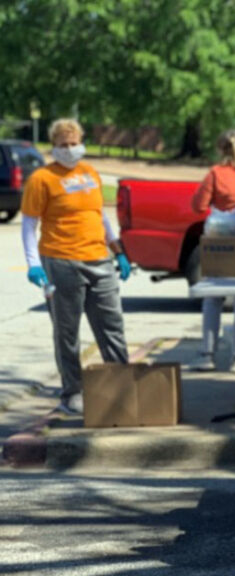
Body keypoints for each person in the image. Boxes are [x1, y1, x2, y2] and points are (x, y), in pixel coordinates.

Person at [21, 119, 131, 415]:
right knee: (67, 332)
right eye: (63, 144)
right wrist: (34, 265)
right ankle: (72, 392)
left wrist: (117, 249)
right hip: (61, 261)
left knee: (112, 327)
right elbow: (29, 224)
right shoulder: (42, 179)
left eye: (73, 143)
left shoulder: (90, 172)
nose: (69, 149)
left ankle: (123, 389)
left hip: (99, 259)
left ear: (81, 143)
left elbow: (99, 216)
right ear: (54, 146)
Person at [190, 130, 235, 371]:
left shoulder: (216, 174)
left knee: (213, 297)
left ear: (221, 150)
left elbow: (198, 206)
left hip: (220, 245)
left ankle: (207, 354)